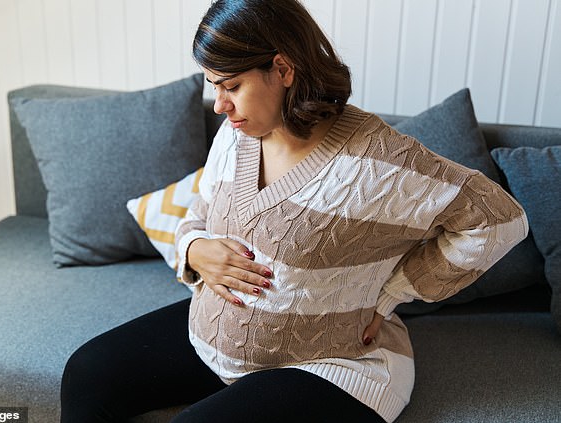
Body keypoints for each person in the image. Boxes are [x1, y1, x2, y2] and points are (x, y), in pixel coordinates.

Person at [60, 1, 529, 422]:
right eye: (213, 85)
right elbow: (202, 210)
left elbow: (498, 221)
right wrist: (194, 248)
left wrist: (392, 293)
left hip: (334, 364)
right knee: (87, 372)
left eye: (232, 86)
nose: (220, 105)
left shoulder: (380, 164)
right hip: (220, 342)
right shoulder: (237, 131)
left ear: (282, 69)